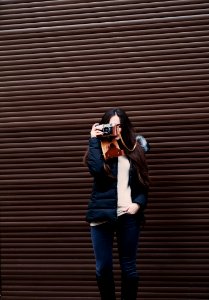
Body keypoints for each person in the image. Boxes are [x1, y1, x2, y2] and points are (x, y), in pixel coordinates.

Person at [84, 108, 150, 300]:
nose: (116, 130)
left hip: (127, 215)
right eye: (111, 126)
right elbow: (97, 170)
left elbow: (143, 184)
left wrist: (137, 204)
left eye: (119, 126)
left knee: (129, 267)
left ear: (125, 127)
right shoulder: (101, 148)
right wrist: (93, 139)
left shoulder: (134, 149)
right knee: (103, 267)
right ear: (104, 126)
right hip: (101, 215)